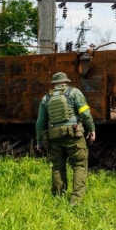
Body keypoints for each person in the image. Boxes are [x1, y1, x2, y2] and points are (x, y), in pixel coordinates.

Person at [35, 72, 96, 205]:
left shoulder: (46, 98)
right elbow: (85, 113)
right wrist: (91, 129)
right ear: (65, 82)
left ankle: (58, 198)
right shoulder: (75, 93)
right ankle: (76, 200)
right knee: (79, 165)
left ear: (54, 84)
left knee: (57, 167)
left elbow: (40, 122)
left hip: (54, 137)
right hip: (73, 136)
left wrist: (39, 141)